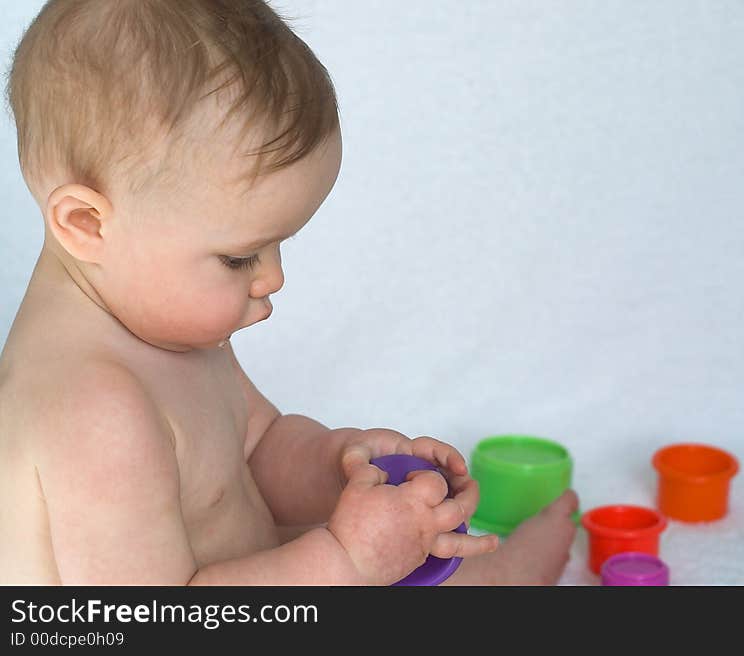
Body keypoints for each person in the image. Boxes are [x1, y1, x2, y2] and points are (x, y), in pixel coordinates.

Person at [0, 0, 578, 585]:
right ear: (87, 224)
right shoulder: (91, 412)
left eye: (279, 246)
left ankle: (498, 574)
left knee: (411, 558)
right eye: (239, 257)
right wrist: (348, 561)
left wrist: (339, 465)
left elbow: (256, 446)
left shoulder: (165, 323)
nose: (272, 278)